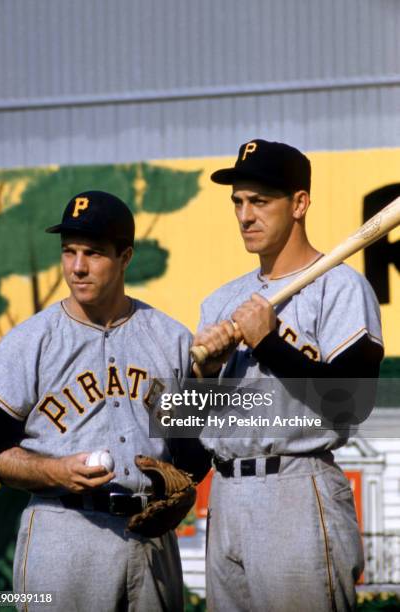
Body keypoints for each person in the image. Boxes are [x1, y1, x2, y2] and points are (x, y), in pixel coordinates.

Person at [0, 190, 208, 612]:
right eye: (69, 252)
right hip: (64, 530)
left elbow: (192, 453)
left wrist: (179, 485)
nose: (78, 267)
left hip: (150, 536)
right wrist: (52, 470)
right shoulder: (32, 341)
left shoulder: (172, 338)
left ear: (125, 257)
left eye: (94, 253)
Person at [191, 139, 384, 612]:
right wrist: (204, 372)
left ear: (299, 203)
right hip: (226, 494)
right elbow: (190, 419)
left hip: (296, 489)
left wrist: (268, 344)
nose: (245, 215)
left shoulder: (340, 287)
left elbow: (351, 403)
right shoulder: (220, 301)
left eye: (260, 201)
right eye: (238, 201)